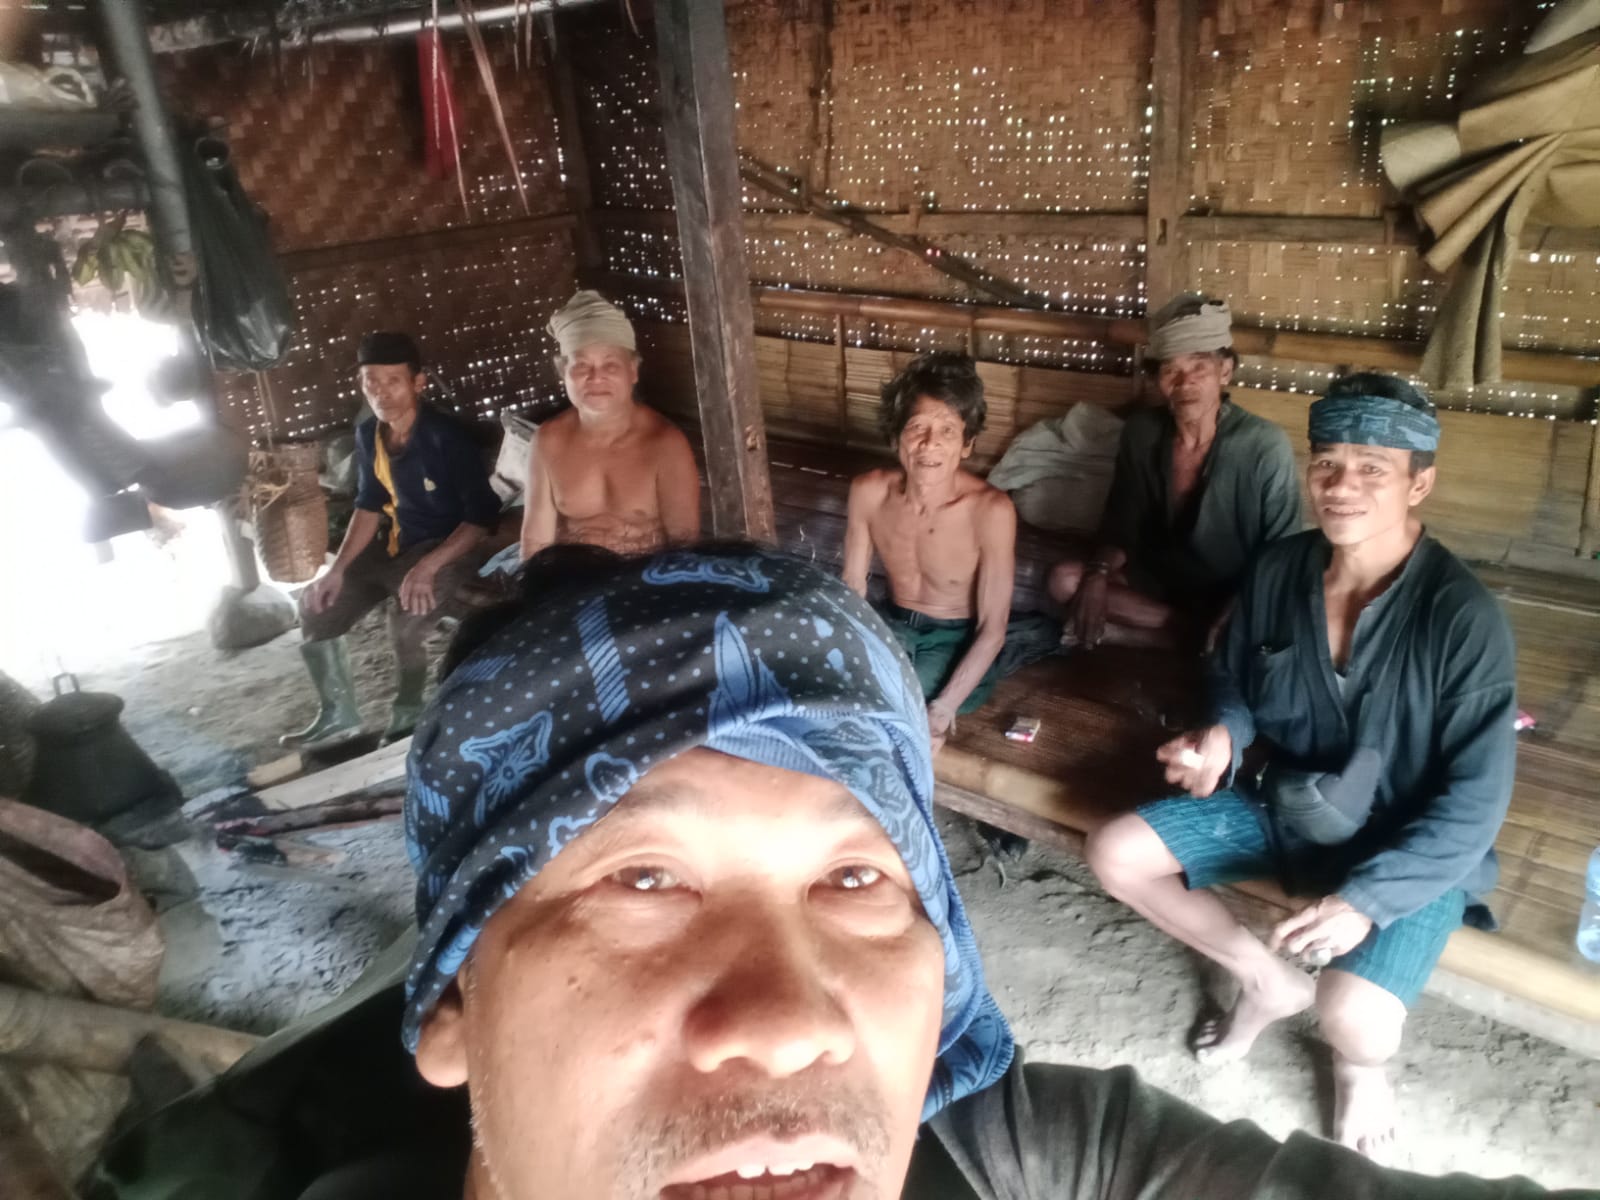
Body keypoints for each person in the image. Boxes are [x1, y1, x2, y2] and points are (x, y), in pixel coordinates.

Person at [93, 544, 1582, 1200]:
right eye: (643, 879)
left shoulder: (1021, 1159)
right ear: (449, 1005)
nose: (793, 1020)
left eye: (861, 881)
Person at [1085, 374, 1519, 1161]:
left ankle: (1360, 1072)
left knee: (1355, 1019)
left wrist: (1366, 902)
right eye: (1326, 464)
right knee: (1115, 852)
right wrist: (1224, 734)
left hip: (1408, 843)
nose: (1341, 487)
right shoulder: (1280, 569)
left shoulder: (1461, 617)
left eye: (1372, 469)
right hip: (1289, 803)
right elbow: (1232, 676)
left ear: (1419, 483)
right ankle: (1264, 981)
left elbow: (1477, 799)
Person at [282, 332, 500, 749]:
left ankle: (408, 717)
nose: (380, 391)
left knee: (407, 623)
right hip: (396, 545)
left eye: (393, 381)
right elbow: (368, 506)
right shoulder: (369, 434)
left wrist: (428, 566)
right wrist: (337, 570)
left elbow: (480, 518)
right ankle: (338, 716)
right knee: (316, 607)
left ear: (418, 382)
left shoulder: (446, 438)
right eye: (371, 381)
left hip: (449, 546)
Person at [1048, 294, 1301, 650]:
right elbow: (1122, 525)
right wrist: (1098, 573)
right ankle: (1194, 635)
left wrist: (1238, 605)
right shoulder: (1141, 432)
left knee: (1274, 612)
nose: (1184, 383)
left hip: (1231, 590)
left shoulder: (1264, 444)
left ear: (1225, 370)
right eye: (1171, 370)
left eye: (1199, 367)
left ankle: (1145, 636)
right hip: (1157, 583)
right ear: (1158, 379)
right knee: (1064, 580)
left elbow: (1282, 551)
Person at [843, 352, 1057, 755]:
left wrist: (942, 710)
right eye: (917, 427)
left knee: (909, 692)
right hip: (892, 623)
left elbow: (992, 627)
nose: (930, 444)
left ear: (966, 445)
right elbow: (852, 589)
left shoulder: (990, 510)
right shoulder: (868, 492)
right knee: (840, 678)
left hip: (956, 636)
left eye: (947, 431)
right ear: (896, 437)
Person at [518, 290, 701, 559]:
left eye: (610, 365)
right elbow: (535, 540)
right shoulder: (548, 441)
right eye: (581, 366)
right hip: (575, 575)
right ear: (563, 373)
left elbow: (684, 545)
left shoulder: (665, 444)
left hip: (644, 575)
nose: (596, 378)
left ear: (632, 371)